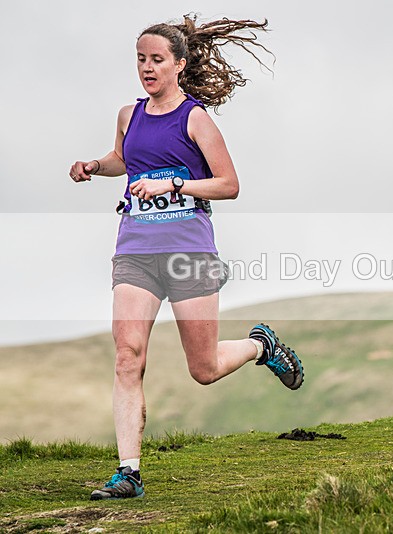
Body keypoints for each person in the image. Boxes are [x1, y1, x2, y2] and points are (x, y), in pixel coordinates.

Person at [69, 15, 304, 500]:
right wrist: (95, 166)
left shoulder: (195, 118)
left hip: (188, 251)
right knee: (127, 356)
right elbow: (125, 160)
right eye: (140, 60)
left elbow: (229, 184)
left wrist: (173, 183)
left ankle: (261, 346)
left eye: (156, 60)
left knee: (204, 369)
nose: (147, 68)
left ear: (179, 63)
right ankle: (128, 473)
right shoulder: (128, 115)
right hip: (135, 249)